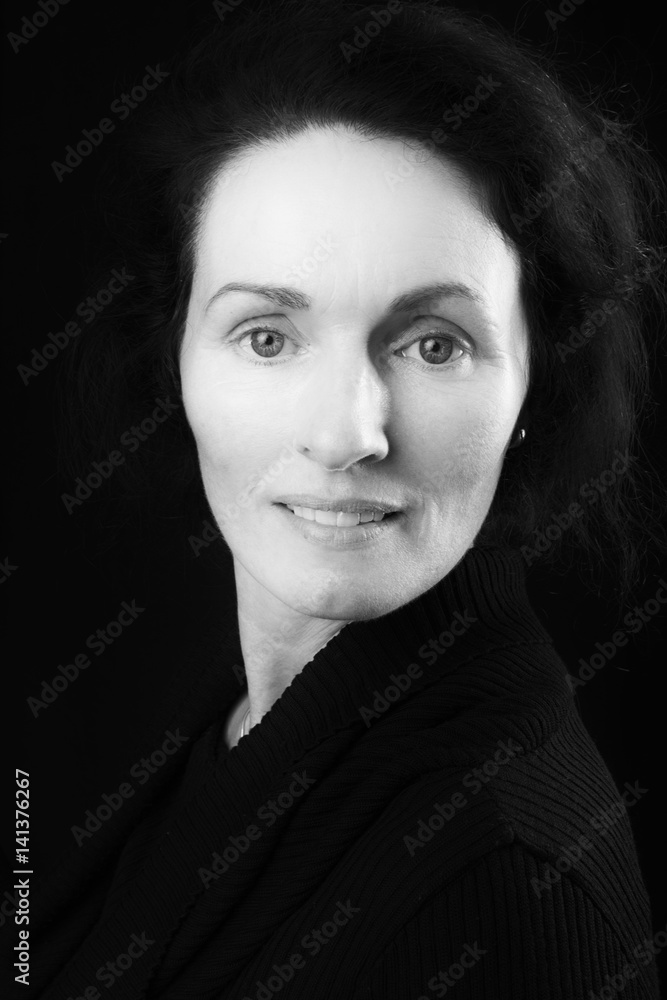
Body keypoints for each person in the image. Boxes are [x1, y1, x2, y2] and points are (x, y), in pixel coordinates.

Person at [30, 1, 665, 997]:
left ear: (537, 385)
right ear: (174, 362)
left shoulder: (504, 893)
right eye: (268, 337)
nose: (346, 434)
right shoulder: (234, 728)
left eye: (434, 345)